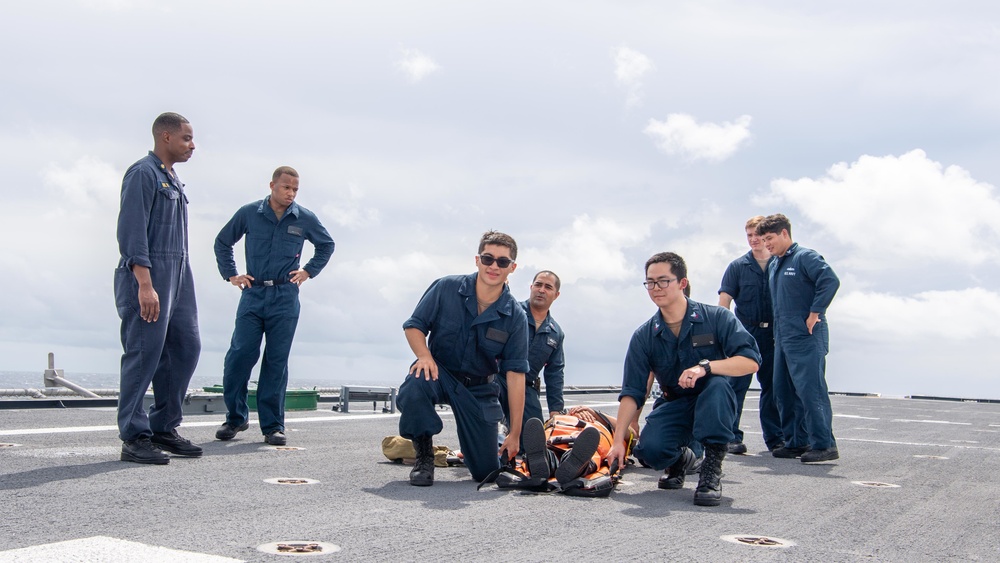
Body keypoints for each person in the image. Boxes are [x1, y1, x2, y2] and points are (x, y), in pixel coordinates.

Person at [606, 252, 760, 506]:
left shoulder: (717, 318)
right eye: (650, 282)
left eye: (663, 281)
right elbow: (633, 391)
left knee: (718, 385)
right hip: (675, 404)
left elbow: (750, 361)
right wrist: (618, 441)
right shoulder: (644, 336)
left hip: (713, 402)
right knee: (650, 451)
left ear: (682, 283)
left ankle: (711, 470)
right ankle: (682, 461)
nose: (656, 288)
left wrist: (706, 367)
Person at [213, 166, 335, 446]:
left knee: (276, 361)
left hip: (285, 296)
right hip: (253, 294)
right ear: (272, 185)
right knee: (239, 355)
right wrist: (232, 274)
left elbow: (326, 245)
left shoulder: (304, 218)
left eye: (295, 189)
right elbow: (222, 242)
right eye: (286, 188)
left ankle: (272, 426)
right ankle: (235, 418)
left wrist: (308, 271)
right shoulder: (249, 213)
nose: (290, 193)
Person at [397, 230, 529, 486]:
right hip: (439, 373)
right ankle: (424, 455)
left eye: (502, 262)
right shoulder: (446, 287)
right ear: (477, 259)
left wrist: (515, 432)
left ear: (512, 267)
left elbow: (515, 375)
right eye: (488, 258)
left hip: (479, 388)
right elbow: (414, 325)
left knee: (486, 474)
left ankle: (498, 450)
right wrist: (423, 356)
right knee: (415, 383)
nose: (494, 266)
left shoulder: (515, 316)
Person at [114, 112, 202, 464]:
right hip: (148, 276)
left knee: (186, 347)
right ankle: (134, 437)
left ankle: (164, 426)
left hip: (179, 274)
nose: (192, 145)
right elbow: (132, 232)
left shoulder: (172, 179)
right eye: (186, 138)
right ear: (165, 137)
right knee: (143, 353)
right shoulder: (142, 174)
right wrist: (145, 285)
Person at [757, 214, 841, 463]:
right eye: (763, 239)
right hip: (782, 337)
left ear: (785, 233)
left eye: (769, 238)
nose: (766, 244)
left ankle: (824, 444)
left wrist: (816, 312)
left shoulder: (805, 257)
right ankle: (796, 441)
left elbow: (830, 280)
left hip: (806, 335)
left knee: (810, 390)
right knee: (783, 391)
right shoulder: (774, 264)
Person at [718, 215, 782, 453]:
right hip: (745, 334)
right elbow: (724, 301)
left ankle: (776, 438)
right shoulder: (737, 267)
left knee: (773, 387)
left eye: (757, 235)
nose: (754, 240)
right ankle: (731, 436)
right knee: (736, 385)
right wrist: (722, 335)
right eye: (749, 235)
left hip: (774, 334)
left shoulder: (780, 264)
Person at [498, 271, 566, 441]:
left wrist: (555, 412)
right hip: (497, 379)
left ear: (556, 295)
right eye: (538, 284)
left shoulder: (556, 334)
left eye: (548, 287)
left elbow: (555, 373)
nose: (541, 290)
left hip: (526, 388)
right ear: (531, 287)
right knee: (490, 422)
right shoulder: (512, 311)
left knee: (534, 439)